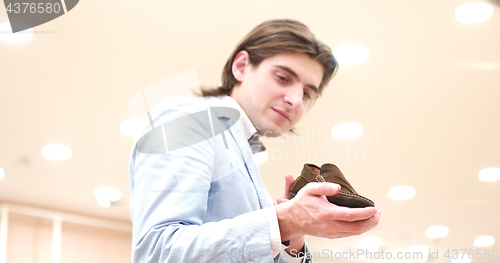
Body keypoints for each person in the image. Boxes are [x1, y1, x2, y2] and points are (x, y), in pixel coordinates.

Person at [129, 19, 381, 263]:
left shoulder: (244, 154)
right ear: (241, 66)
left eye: (306, 93)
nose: (295, 100)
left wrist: (292, 241)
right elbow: (157, 252)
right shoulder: (189, 119)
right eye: (283, 78)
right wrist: (284, 222)